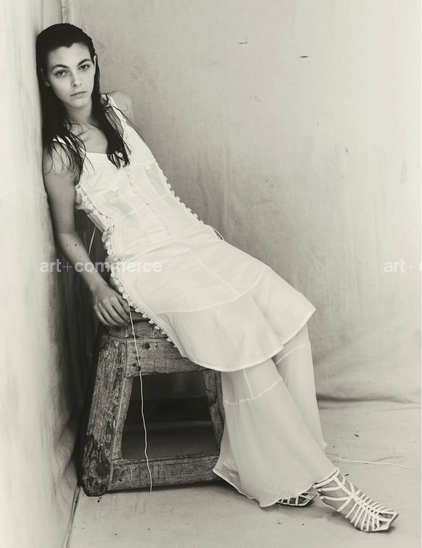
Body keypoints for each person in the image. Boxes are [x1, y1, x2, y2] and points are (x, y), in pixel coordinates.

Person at [36, 23, 398, 533]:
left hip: (197, 241)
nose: (76, 82)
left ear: (95, 64)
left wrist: (198, 241)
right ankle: (333, 485)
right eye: (61, 72)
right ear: (46, 79)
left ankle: (293, 469)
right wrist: (96, 286)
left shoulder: (120, 108)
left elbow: (151, 192)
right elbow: (66, 232)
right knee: (241, 342)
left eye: (83, 66)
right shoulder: (60, 153)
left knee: (290, 317)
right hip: (146, 266)